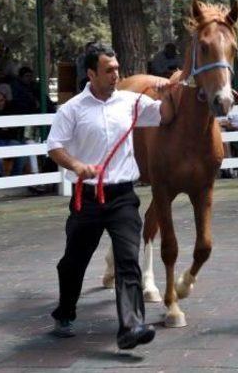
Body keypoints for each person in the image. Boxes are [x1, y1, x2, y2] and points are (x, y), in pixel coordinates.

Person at [46, 43, 175, 349]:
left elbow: (165, 117)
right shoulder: (72, 109)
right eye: (109, 70)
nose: (116, 74)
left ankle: (131, 326)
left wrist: (168, 90)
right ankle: (65, 312)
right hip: (87, 199)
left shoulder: (132, 102)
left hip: (122, 197)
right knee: (73, 263)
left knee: (128, 260)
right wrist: (76, 164)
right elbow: (54, 146)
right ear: (91, 73)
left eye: (117, 68)